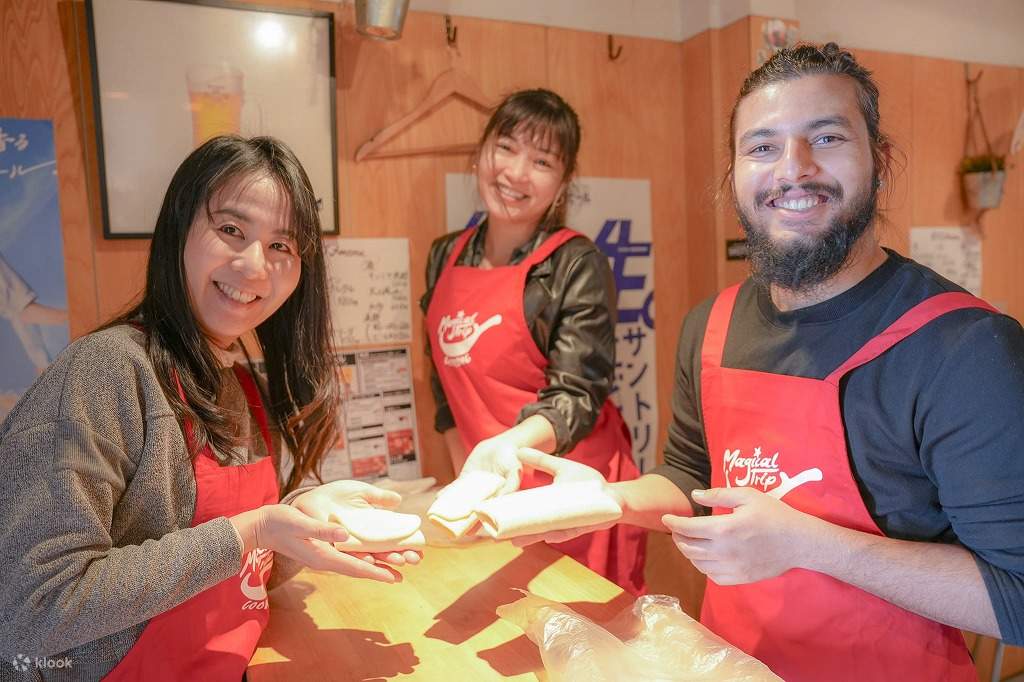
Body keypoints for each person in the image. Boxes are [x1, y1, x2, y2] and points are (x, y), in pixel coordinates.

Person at [510, 44, 1024, 681]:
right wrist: (609, 500)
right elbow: (692, 477)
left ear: (881, 161)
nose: (794, 169)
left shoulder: (963, 348)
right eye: (762, 147)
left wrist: (810, 545)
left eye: (826, 136)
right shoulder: (710, 326)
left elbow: (1018, 595)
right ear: (734, 178)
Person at [0, 135, 420, 680]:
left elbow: (235, 575)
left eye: (281, 247)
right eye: (231, 230)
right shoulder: (103, 372)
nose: (254, 267)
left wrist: (301, 528)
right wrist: (254, 529)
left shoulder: (240, 381)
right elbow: (29, 612)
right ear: (180, 229)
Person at [421, 89, 646, 595]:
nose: (516, 173)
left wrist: (500, 450)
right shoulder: (444, 255)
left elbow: (576, 395)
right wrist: (471, 476)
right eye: (505, 147)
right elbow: (443, 384)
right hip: (494, 481)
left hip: (570, 487)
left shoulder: (575, 263)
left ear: (563, 182)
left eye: (541, 160)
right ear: (480, 152)